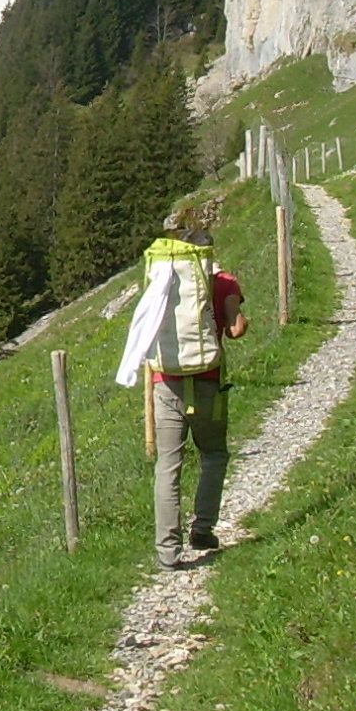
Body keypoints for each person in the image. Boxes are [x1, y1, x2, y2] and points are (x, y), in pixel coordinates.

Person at [113, 228, 246, 567]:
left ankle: (168, 550)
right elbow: (237, 329)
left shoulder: (165, 277)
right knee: (213, 454)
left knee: (168, 465)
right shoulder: (224, 282)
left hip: (166, 384)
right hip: (207, 383)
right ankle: (202, 528)